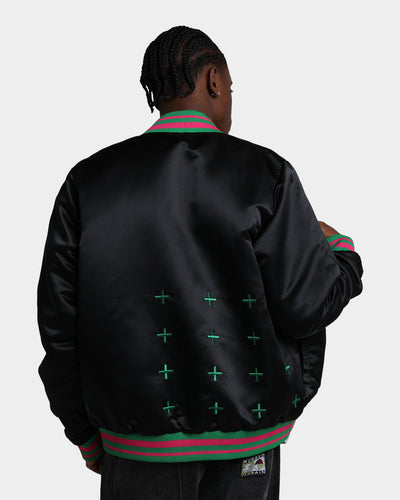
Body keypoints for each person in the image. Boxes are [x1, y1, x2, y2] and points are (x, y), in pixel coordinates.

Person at [36, 25, 364, 500]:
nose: (230, 96)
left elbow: (59, 324)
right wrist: (341, 252)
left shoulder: (87, 181)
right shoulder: (265, 173)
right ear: (213, 79)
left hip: (135, 442)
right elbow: (307, 305)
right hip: (247, 442)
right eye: (230, 86)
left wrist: (84, 433)